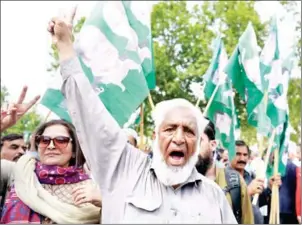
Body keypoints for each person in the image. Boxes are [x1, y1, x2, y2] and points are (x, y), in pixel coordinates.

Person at [48, 11, 237, 223]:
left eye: (189, 131)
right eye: (170, 128)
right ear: (155, 135)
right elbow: (90, 114)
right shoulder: (123, 167)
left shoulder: (214, 196)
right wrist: (65, 46)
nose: (179, 138)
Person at [0, 120, 101, 223]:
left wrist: (105, 203)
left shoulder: (91, 189)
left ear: (74, 150)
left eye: (61, 140)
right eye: (44, 140)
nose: (51, 146)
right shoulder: (17, 172)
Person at [196, 119, 254, 224]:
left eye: (198, 142)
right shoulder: (173, 182)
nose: (191, 148)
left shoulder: (235, 183)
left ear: (213, 144)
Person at [231, 140, 282, 224]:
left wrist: (270, 187)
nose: (242, 158)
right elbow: (226, 204)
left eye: (245, 155)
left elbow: (258, 201)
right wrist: (247, 192)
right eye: (238, 154)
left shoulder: (250, 177)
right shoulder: (223, 176)